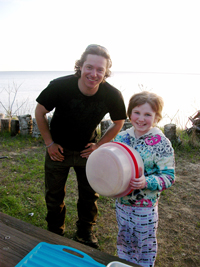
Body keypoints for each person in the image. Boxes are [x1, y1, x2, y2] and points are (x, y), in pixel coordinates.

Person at [35, 44, 127, 248]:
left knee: (89, 195)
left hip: (88, 153)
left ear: (106, 72)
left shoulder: (112, 94)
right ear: (80, 66)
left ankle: (85, 232)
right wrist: (49, 143)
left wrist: (99, 146)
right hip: (58, 151)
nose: (94, 74)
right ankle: (55, 232)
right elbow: (39, 112)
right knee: (54, 195)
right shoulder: (60, 86)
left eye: (100, 70)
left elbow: (119, 122)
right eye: (89, 67)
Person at [114, 91, 175, 266]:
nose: (141, 119)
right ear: (130, 113)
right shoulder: (122, 137)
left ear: (157, 117)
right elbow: (113, 165)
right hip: (122, 204)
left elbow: (169, 177)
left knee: (144, 245)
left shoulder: (161, 143)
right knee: (124, 240)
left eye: (148, 114)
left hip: (145, 208)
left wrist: (146, 182)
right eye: (137, 112)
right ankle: (124, 263)